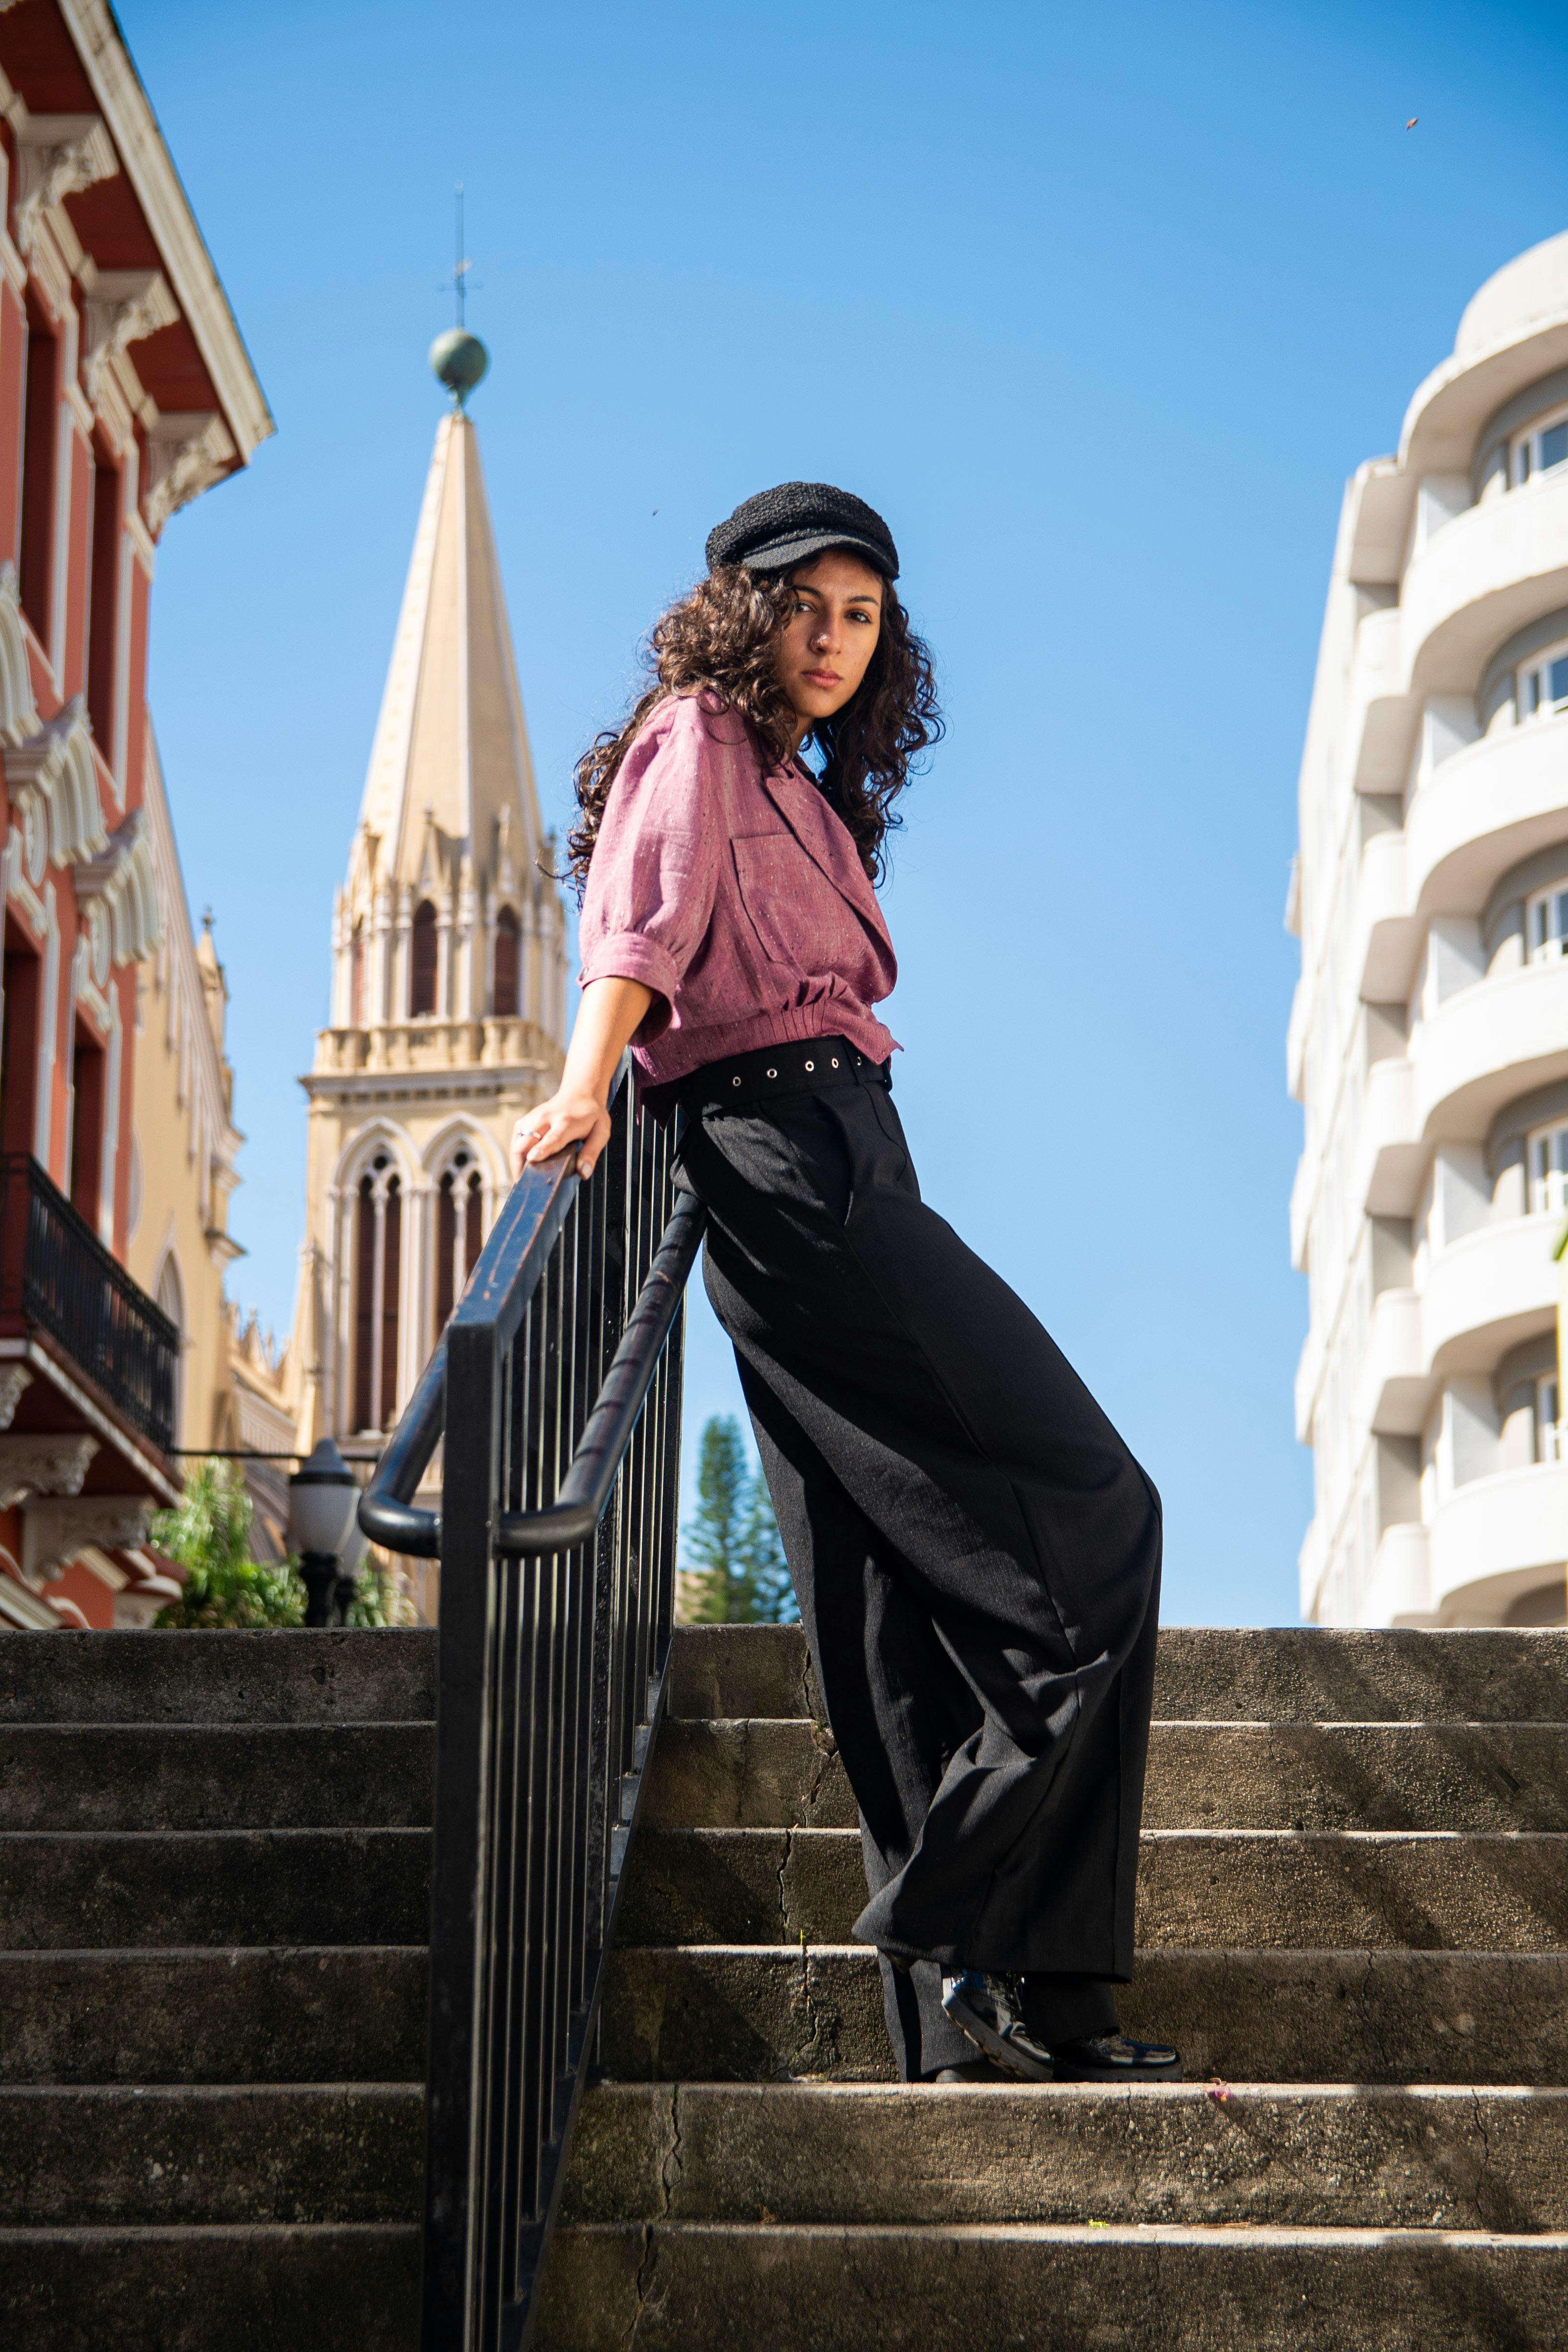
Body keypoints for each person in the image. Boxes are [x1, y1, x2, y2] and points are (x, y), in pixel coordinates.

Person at [510, 482, 1179, 2086]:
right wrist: (584, 1083)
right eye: (808, 604)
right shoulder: (697, 739)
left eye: (863, 614)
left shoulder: (805, 791)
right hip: (785, 1162)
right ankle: (955, 1910)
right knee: (1098, 1515)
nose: (834, 638)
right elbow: (642, 924)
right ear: (744, 609)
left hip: (850, 1154)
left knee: (887, 1600)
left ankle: (998, 2016)